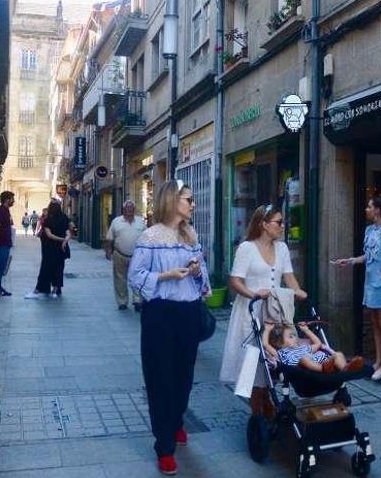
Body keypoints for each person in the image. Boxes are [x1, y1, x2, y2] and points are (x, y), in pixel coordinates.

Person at [128, 180, 209, 476]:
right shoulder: (150, 236)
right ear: (172, 201)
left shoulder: (190, 234)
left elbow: (203, 280)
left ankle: (176, 420)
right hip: (160, 314)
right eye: (188, 199)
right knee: (160, 377)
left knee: (184, 375)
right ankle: (164, 447)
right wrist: (165, 275)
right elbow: (135, 277)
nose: (193, 204)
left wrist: (198, 272)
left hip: (188, 312)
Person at [221, 204, 307, 417]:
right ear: (264, 224)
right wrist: (253, 294)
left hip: (274, 312)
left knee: (272, 360)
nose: (282, 225)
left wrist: (297, 291)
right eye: (278, 222)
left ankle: (266, 400)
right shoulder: (247, 248)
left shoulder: (282, 248)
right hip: (251, 313)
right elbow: (235, 281)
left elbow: (288, 276)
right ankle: (258, 409)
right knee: (252, 362)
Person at [332, 195, 381, 381]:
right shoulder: (369, 230)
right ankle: (378, 361)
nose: (367, 209)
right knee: (375, 322)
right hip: (370, 283)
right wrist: (351, 261)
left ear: (378, 210)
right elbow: (368, 256)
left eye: (369, 207)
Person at [263, 321, 363, 373]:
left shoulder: (303, 347)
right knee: (304, 359)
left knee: (338, 354)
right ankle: (323, 370)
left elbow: (318, 344)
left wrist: (306, 330)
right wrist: (267, 330)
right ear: (280, 343)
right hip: (301, 369)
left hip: (322, 362)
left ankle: (346, 369)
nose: (295, 337)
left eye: (294, 335)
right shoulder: (281, 352)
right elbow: (266, 345)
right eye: (290, 336)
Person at [105, 200, 147, 311]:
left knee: (138, 278)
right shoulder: (116, 222)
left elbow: (147, 238)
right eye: (127, 208)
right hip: (120, 254)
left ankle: (137, 300)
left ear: (134, 210)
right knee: (120, 278)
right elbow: (109, 238)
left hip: (137, 256)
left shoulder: (140, 222)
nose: (129, 210)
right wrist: (108, 251)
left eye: (131, 208)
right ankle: (122, 301)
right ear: (123, 210)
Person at [24, 201, 71, 299]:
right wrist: (64, 241)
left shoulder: (48, 220)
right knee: (59, 269)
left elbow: (50, 235)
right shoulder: (64, 218)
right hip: (61, 250)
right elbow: (68, 233)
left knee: (45, 269)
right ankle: (55, 291)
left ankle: (39, 290)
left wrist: (62, 240)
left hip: (49, 249)